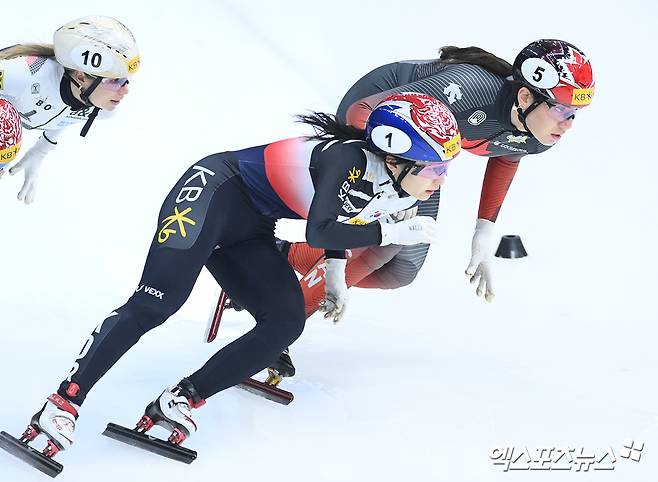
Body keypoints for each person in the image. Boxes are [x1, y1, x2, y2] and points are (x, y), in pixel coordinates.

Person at [6, 92, 460, 462]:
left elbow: (343, 217)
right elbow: (321, 228)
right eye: (436, 169)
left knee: (285, 322)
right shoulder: (348, 158)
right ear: (397, 157)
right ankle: (62, 402)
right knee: (156, 302)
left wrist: (338, 273)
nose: (441, 180)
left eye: (447, 169)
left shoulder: (396, 183)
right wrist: (386, 230)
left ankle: (181, 398)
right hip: (212, 192)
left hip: (251, 227)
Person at [282, 38, 595, 315]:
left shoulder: (540, 134)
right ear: (525, 98)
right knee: (388, 243)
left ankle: (283, 256)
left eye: (574, 113)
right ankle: (282, 322)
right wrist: (398, 170)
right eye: (561, 110)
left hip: (424, 154)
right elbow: (360, 111)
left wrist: (484, 229)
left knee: (401, 271)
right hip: (379, 118)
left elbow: (506, 156)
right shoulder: (471, 90)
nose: (568, 124)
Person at [0, 15, 139, 204]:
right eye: (115, 81)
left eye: (125, 80)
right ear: (81, 77)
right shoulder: (23, 74)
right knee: (4, 124)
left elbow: (67, 113)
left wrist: (43, 148)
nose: (125, 89)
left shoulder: (103, 107)